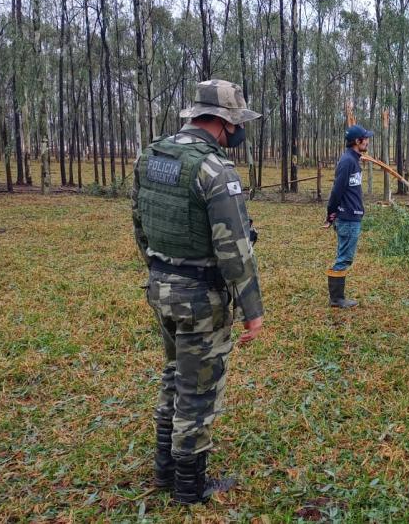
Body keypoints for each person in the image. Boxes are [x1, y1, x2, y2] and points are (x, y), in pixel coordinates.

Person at [131, 79, 265, 505]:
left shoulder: (151, 157)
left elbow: (140, 224)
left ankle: (163, 468)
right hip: (201, 300)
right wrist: (252, 310)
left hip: (161, 288)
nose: (239, 133)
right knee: (198, 391)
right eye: (237, 124)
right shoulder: (215, 170)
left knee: (174, 375)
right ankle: (189, 486)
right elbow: (236, 250)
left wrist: (160, 271)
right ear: (224, 123)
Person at [325, 124, 373, 308]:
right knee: (344, 258)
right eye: (365, 138)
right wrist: (331, 214)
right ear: (357, 141)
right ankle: (336, 299)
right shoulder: (347, 161)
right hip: (348, 217)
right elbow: (337, 190)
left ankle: (337, 297)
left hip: (352, 216)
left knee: (343, 255)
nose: (368, 141)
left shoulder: (353, 160)